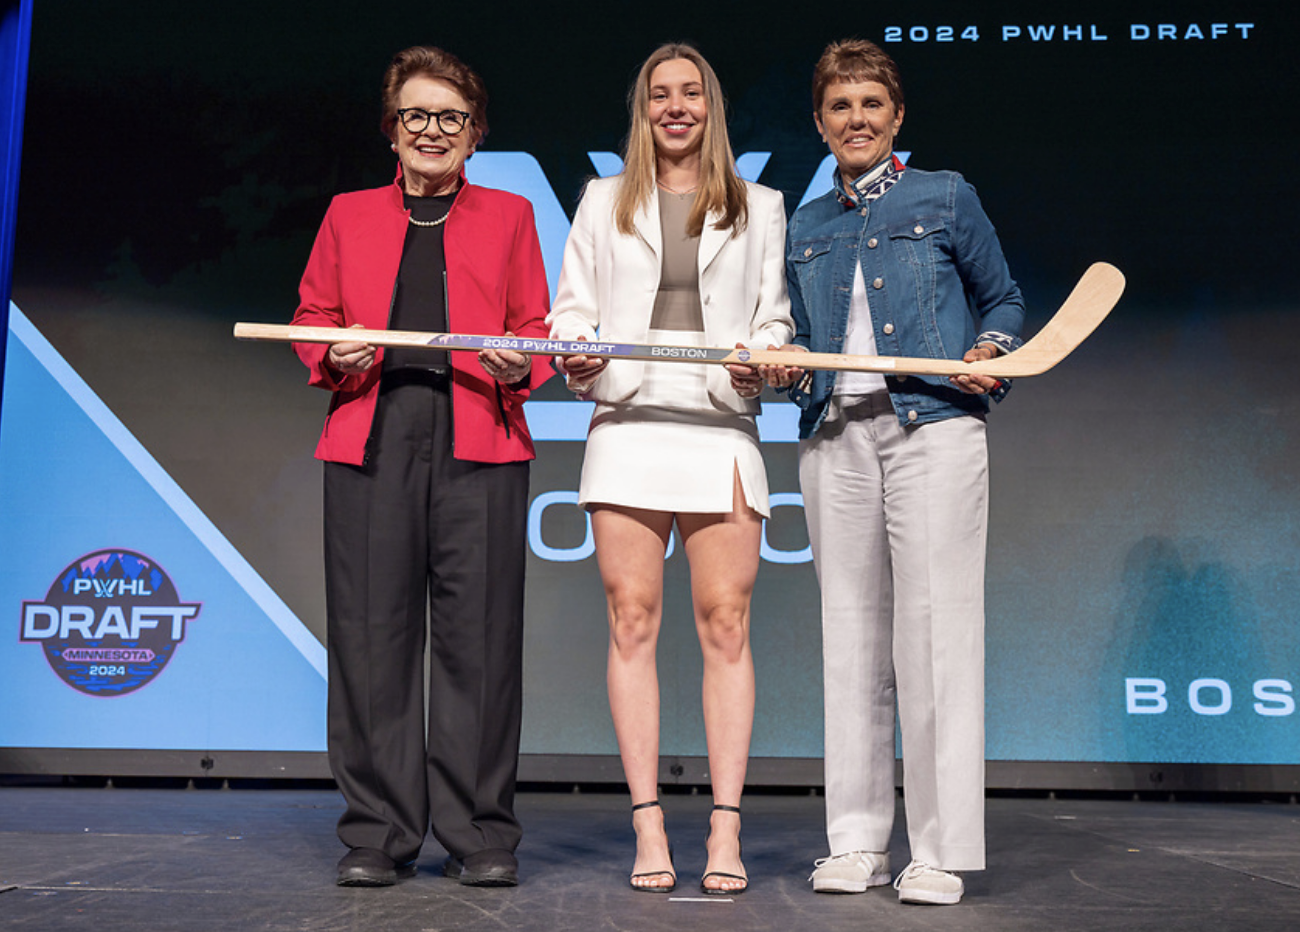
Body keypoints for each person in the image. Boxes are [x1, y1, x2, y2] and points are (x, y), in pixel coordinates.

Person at [763, 38, 1025, 906]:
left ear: (897, 114)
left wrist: (990, 349)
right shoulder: (806, 224)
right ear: (820, 121)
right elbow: (800, 343)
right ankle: (856, 843)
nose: (857, 120)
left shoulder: (944, 196)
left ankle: (941, 851)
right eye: (840, 107)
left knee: (936, 635)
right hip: (836, 434)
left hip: (933, 429)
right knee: (851, 640)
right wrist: (772, 368)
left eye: (871, 105)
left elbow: (1004, 299)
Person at [290, 45, 551, 889]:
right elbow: (311, 316)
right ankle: (377, 829)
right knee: (371, 637)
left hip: (479, 433)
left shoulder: (510, 215)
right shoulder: (347, 213)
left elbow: (536, 328)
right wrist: (333, 350)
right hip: (372, 432)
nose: (431, 130)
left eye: (450, 117)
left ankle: (479, 832)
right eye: (415, 115)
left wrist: (522, 363)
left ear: (474, 134)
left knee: (479, 642)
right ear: (390, 132)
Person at [548, 42, 792, 896]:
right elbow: (570, 317)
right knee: (632, 620)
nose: (676, 106)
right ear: (643, 108)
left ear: (711, 106)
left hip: (719, 429)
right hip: (628, 422)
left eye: (691, 93)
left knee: (726, 624)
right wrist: (576, 358)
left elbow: (774, 319)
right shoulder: (601, 200)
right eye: (661, 94)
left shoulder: (762, 205)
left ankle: (725, 830)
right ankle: (649, 826)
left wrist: (769, 359)